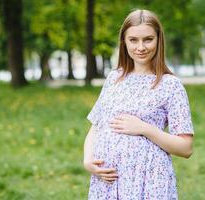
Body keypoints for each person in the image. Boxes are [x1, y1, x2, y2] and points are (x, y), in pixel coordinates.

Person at [83, 9, 194, 200]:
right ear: (124, 42)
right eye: (133, 40)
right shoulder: (113, 78)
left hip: (149, 182)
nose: (140, 47)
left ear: (159, 40)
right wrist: (87, 160)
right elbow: (96, 127)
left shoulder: (170, 85)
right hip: (108, 183)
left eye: (148, 39)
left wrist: (144, 128)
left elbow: (186, 148)